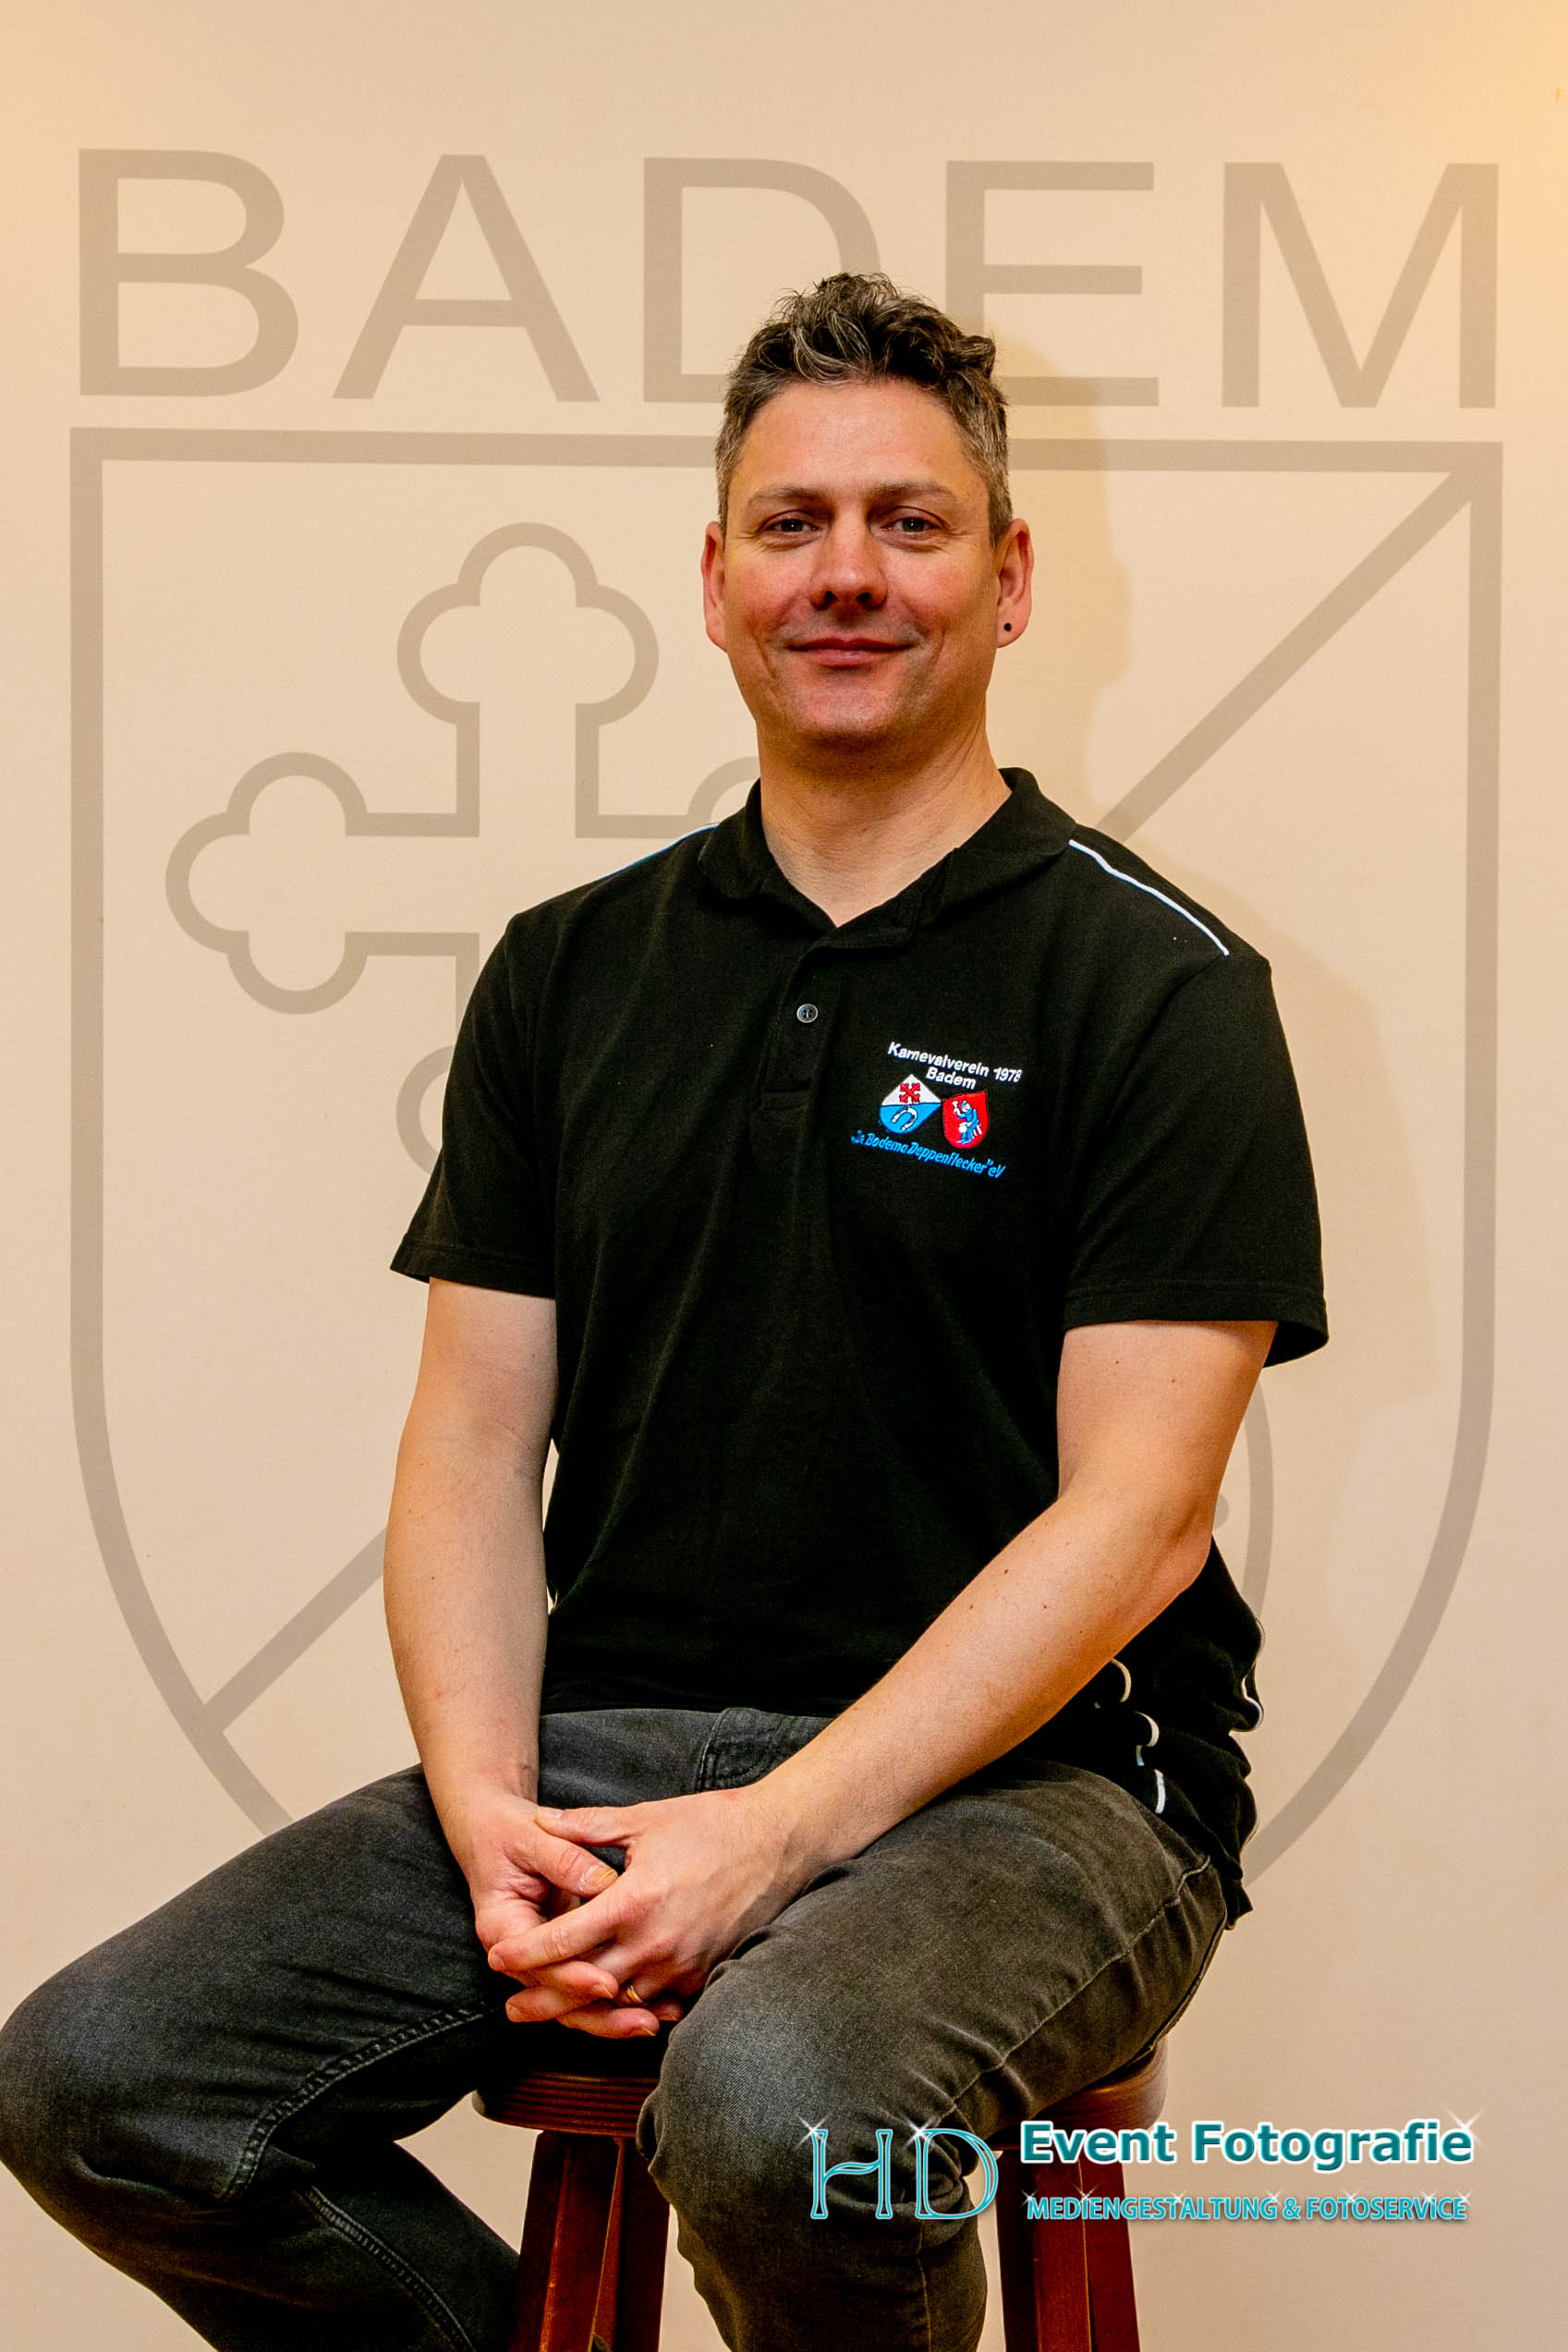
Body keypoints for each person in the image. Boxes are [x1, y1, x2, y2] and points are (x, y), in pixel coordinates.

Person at [0, 274, 1326, 2352]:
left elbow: (1138, 1520)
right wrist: (485, 1810)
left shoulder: (1159, 987)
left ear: (1009, 579)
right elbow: (468, 1442)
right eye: (792, 524)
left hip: (1051, 1790)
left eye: (909, 521)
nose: (846, 573)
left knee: (782, 2112)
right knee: (104, 2078)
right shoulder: (568, 971)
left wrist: (771, 1839)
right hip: (606, 1750)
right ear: (716, 582)